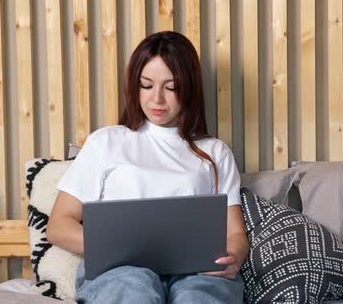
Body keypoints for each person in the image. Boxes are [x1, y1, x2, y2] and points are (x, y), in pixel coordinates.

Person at [47, 31, 248, 304]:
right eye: (146, 85)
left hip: (197, 273)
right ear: (134, 86)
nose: (157, 99)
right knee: (134, 291)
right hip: (120, 271)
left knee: (196, 297)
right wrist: (122, 249)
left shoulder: (215, 152)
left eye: (171, 87)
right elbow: (58, 225)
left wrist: (232, 258)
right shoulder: (106, 142)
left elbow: (234, 233)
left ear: (188, 87)